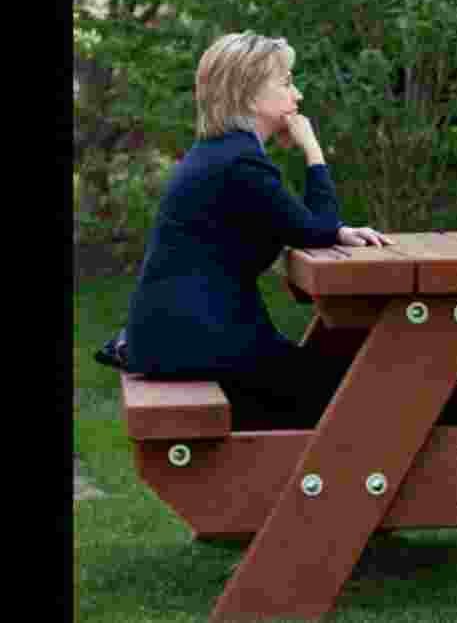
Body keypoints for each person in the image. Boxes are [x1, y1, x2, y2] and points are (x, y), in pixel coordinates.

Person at [104, 31, 393, 430]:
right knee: (361, 400)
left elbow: (305, 225)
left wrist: (334, 230)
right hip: (198, 343)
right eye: (288, 82)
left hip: (181, 336)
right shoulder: (240, 162)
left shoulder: (224, 155)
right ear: (253, 96)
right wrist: (313, 152)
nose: (298, 95)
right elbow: (315, 231)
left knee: (351, 387)